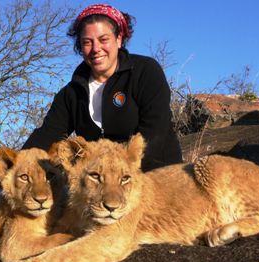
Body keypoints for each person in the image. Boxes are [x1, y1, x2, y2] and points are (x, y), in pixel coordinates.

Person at [22, 3, 182, 171]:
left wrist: (125, 176)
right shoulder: (71, 93)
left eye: (103, 39)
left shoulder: (145, 71)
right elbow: (46, 135)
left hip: (157, 175)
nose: (96, 49)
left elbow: (154, 134)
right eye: (87, 42)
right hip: (102, 182)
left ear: (119, 39)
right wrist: (10, 178)